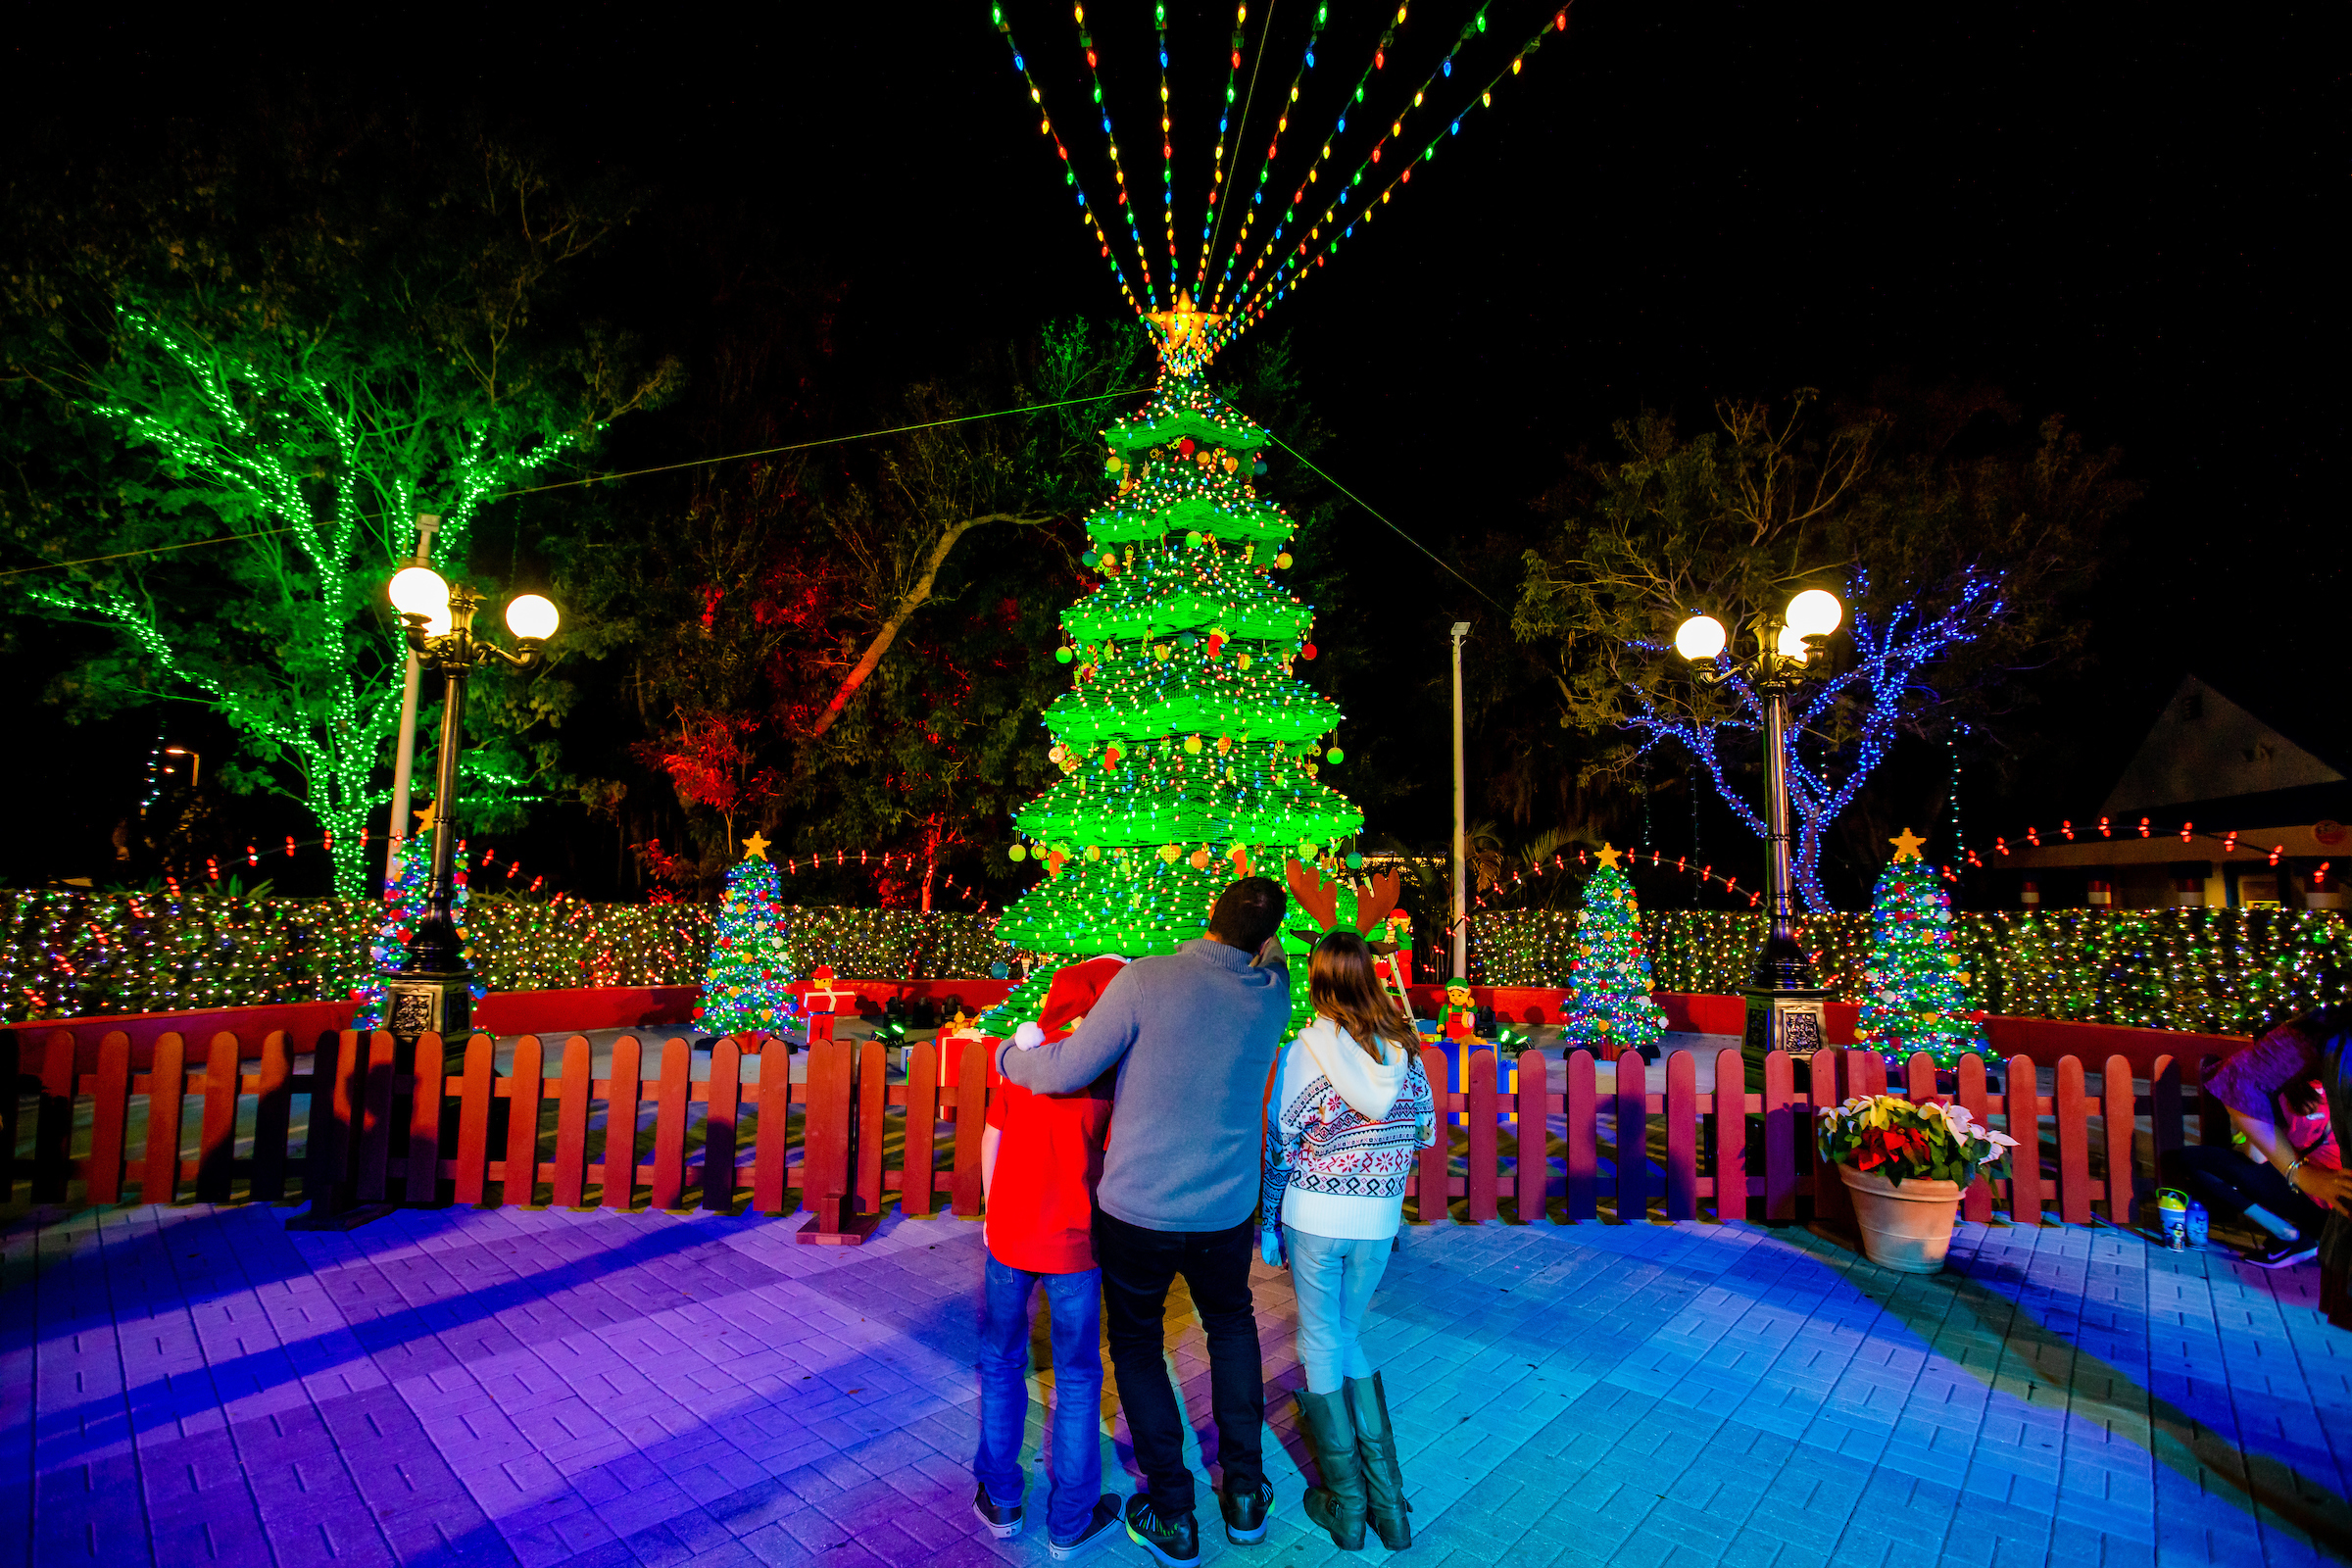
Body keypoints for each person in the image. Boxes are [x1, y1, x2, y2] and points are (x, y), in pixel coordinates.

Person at [997, 876, 1295, 1568]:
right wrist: (1258, 938)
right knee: (1231, 1325)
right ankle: (1246, 1495)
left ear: (1209, 917)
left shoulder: (1147, 980)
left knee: (1135, 1345)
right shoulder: (1270, 990)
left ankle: (1173, 1509)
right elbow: (1270, 950)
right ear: (1264, 936)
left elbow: (1067, 1068)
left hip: (1139, 1206)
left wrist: (1011, 1057)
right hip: (1225, 1208)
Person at [1261, 929, 1437, 1552]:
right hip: (1378, 1220)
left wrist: (1268, 1222)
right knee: (1346, 1333)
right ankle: (1390, 1509)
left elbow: (1284, 1146)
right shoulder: (1404, 1049)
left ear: (1319, 980)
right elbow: (1424, 1134)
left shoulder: (1305, 1049)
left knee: (1319, 1339)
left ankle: (1348, 1505)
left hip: (1316, 1215)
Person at [971, 956, 1129, 1559]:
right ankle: (1071, 1517)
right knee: (1081, 1376)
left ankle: (1003, 1497)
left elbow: (994, 1137)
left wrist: (993, 1215)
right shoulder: (1112, 1073)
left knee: (1002, 1359)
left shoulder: (1024, 1061)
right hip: (1076, 1244)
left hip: (1009, 1237)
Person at [2185, 1009, 2352, 1272]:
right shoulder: (2334, 1081)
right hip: (2339, 1202)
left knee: (2198, 1161)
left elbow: (2257, 1157)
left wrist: (2246, 1137)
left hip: (2325, 1202)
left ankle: (2290, 1235)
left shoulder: (2280, 1096)